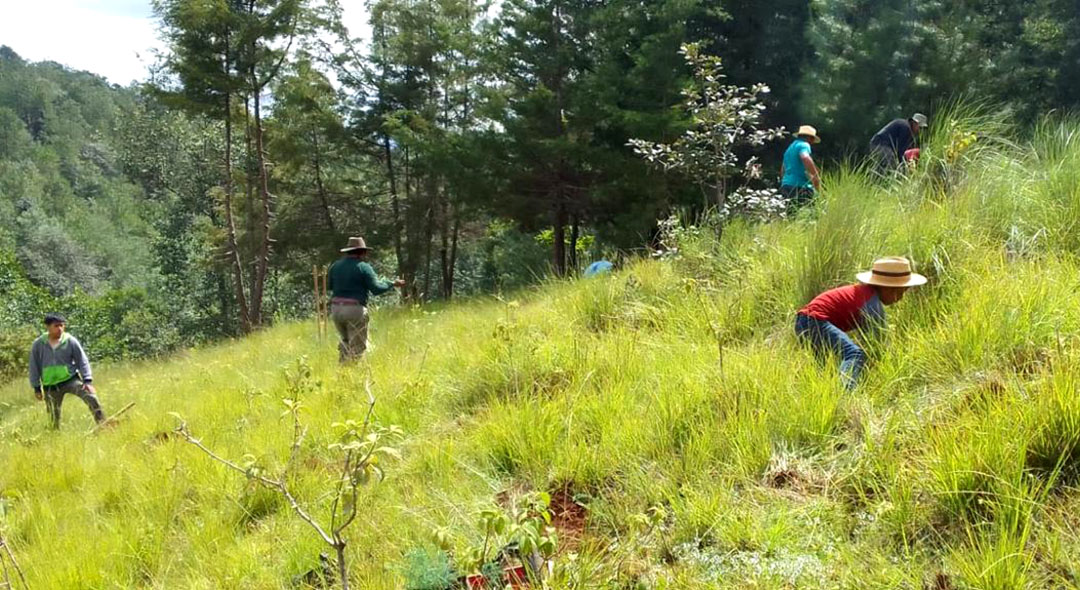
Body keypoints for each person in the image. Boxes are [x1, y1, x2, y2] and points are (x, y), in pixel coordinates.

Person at [794, 257, 926, 390]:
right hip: (815, 321)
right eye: (901, 292)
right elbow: (877, 346)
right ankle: (846, 393)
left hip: (804, 321)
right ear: (888, 289)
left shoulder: (864, 294)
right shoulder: (872, 304)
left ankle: (821, 392)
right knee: (854, 354)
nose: (901, 298)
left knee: (825, 367)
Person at [327, 237, 405, 363]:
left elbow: (330, 286)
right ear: (362, 252)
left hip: (336, 309)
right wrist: (391, 283)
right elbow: (377, 289)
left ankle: (342, 370)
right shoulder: (363, 267)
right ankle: (353, 372)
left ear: (348, 251)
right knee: (357, 348)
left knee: (345, 343)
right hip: (354, 310)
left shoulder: (335, 266)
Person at [29, 313, 106, 429]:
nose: (60, 328)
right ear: (48, 327)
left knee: (91, 397)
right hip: (51, 385)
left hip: (70, 379)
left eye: (62, 325)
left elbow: (82, 360)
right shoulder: (38, 344)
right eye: (56, 326)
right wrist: (36, 388)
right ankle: (54, 435)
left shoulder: (70, 341)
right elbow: (34, 366)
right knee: (53, 417)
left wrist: (87, 381)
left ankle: (103, 424)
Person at [779, 125, 822, 211]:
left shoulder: (789, 148)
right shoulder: (804, 145)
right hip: (800, 187)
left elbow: (782, 170)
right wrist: (815, 176)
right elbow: (805, 157)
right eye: (812, 140)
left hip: (786, 186)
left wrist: (785, 182)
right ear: (810, 138)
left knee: (790, 215)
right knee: (811, 214)